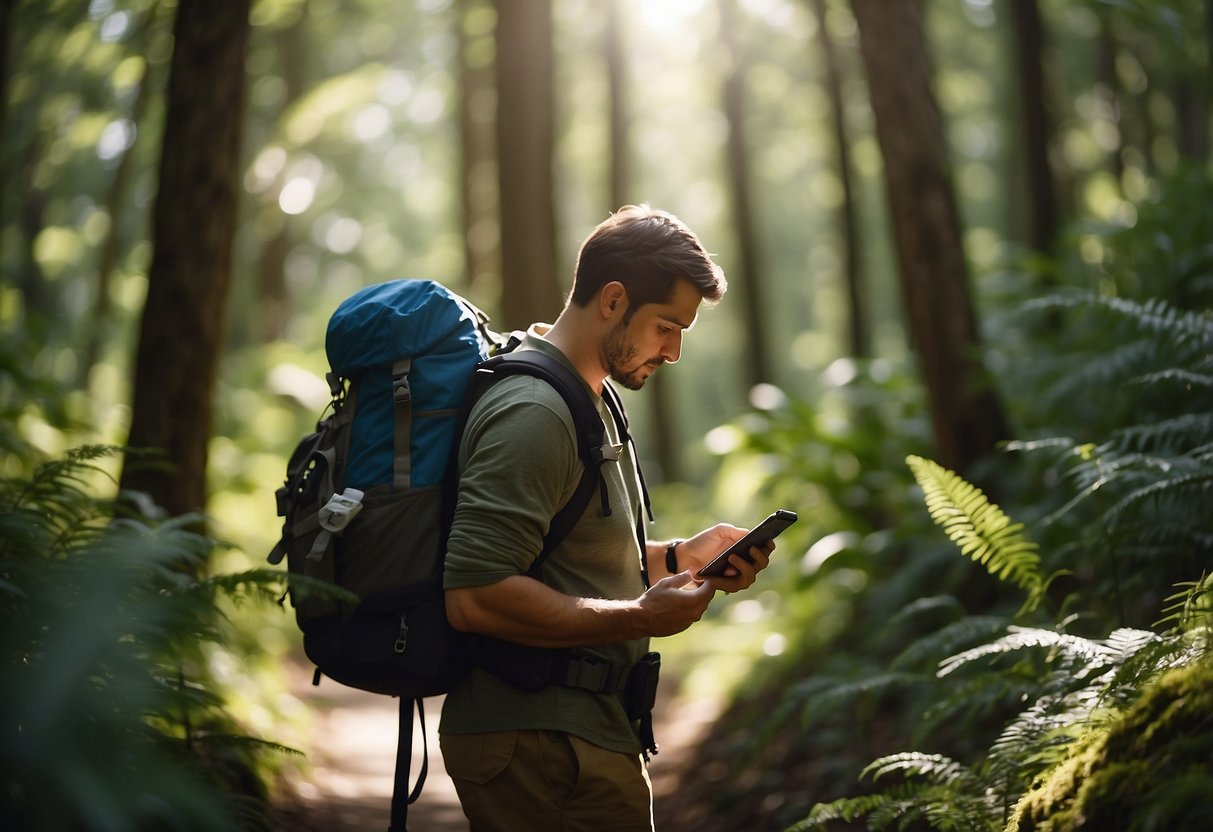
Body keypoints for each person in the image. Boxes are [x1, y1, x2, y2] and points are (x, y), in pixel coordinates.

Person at [440, 204, 773, 831]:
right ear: (614, 299)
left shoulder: (588, 396)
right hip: (537, 740)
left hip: (579, 732)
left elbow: (562, 555)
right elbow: (475, 596)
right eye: (667, 327)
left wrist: (678, 558)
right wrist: (642, 616)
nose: (673, 351)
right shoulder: (536, 412)